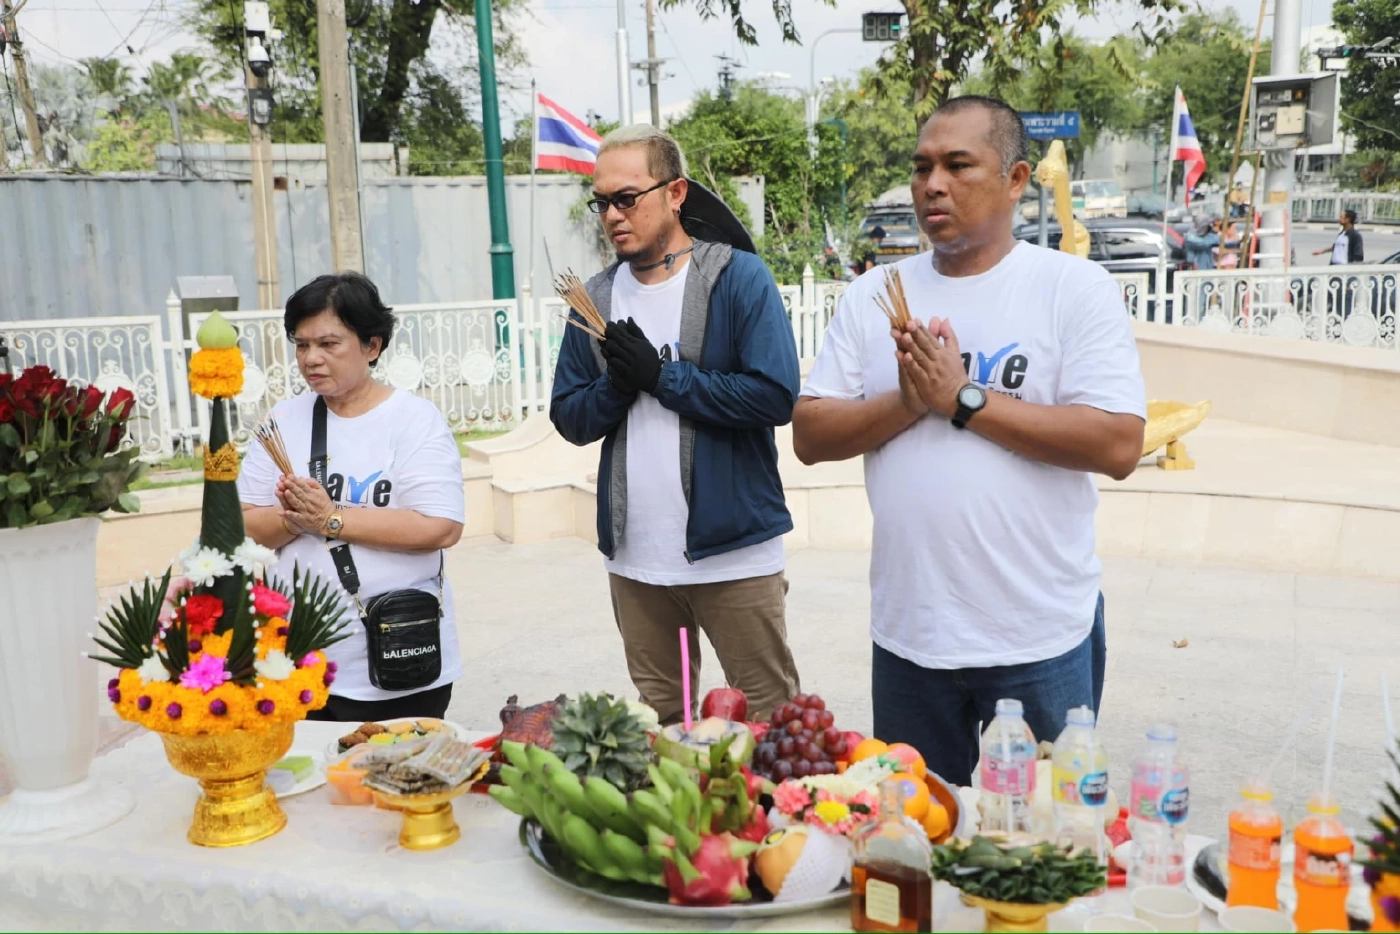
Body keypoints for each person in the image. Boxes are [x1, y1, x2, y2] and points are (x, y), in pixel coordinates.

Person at [791, 95, 1146, 786]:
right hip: (912, 633)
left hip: (1039, 633)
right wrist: (910, 400)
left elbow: (1117, 445)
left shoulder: (1072, 289)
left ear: (1015, 180)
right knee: (915, 838)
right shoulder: (872, 296)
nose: (933, 185)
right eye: (923, 166)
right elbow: (810, 433)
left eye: (958, 165)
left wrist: (965, 399)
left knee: (1049, 837)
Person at [549, 124, 803, 725]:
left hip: (734, 555)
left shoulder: (737, 277)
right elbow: (570, 417)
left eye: (627, 198)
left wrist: (662, 378)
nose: (612, 215)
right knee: (662, 723)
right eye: (602, 201)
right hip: (635, 557)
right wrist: (617, 384)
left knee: (767, 721)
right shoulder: (597, 298)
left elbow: (774, 396)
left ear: (676, 192)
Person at [239, 272, 466, 722]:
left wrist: (331, 518)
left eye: (329, 344)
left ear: (372, 346)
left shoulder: (413, 421)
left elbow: (441, 526)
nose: (311, 359)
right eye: (302, 345)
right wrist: (294, 519)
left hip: (398, 654)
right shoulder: (283, 420)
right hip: (298, 663)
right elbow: (242, 525)